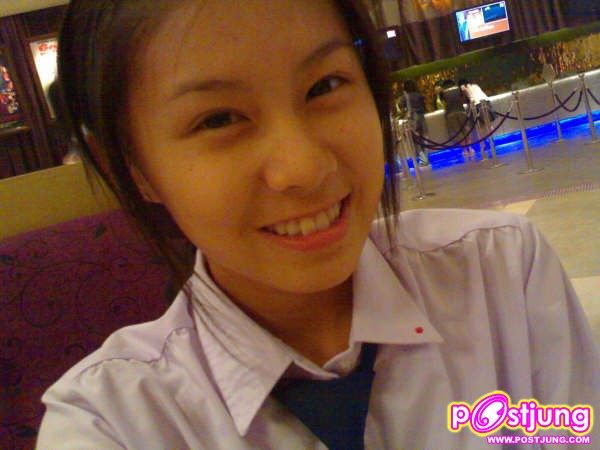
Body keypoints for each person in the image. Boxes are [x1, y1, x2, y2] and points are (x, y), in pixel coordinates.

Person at [37, 1, 599, 449]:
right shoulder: (111, 422)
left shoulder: (500, 273)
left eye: (324, 86)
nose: (304, 168)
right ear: (131, 167)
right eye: (219, 119)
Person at [396, 79, 429, 166]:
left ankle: (423, 160)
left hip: (412, 120)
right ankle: (426, 157)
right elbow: (425, 106)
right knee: (424, 138)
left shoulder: (403, 98)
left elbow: (401, 107)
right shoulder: (419, 95)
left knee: (415, 141)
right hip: (421, 117)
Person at [440, 78, 475, 157]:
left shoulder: (442, 92)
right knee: (466, 130)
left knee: (458, 133)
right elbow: (463, 99)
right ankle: (470, 148)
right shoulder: (458, 89)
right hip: (461, 111)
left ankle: (465, 151)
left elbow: (444, 104)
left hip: (450, 114)